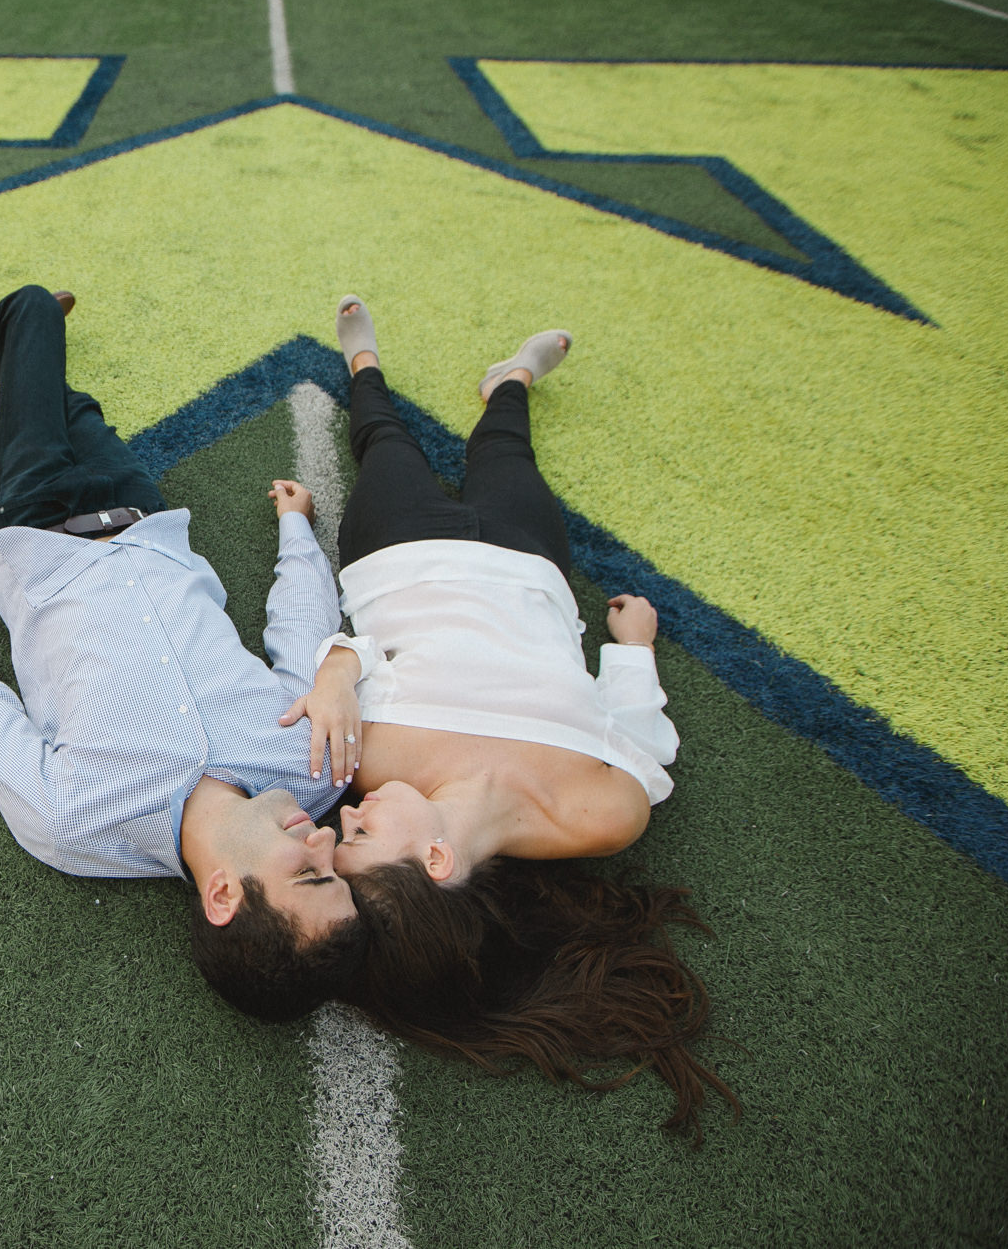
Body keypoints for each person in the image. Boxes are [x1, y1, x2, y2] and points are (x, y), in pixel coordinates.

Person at [316, 294, 738, 1140]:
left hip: (399, 555)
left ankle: (363, 367)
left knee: (385, 444)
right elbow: (639, 737)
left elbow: (366, 650)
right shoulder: (599, 815)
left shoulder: (369, 761)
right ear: (436, 857)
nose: (345, 816)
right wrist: (632, 650)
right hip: (524, 566)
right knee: (506, 446)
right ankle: (507, 379)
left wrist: (334, 668)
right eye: (359, 838)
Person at [0, 285, 370, 1022]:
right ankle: (24, 370)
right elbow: (302, 636)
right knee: (62, 399)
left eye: (311, 876)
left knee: (32, 313)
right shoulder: (314, 771)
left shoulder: (76, 821)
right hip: (142, 513)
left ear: (222, 894)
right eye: (339, 869)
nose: (329, 844)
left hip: (37, 521)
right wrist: (298, 530)